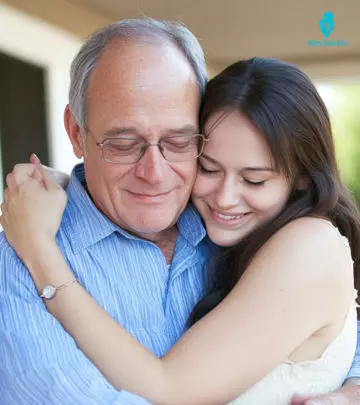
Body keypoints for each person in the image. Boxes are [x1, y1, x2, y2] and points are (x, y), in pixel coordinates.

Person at [2, 56, 360, 405]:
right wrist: (69, 184)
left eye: (254, 179)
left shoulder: (309, 245)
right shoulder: (233, 231)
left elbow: (168, 390)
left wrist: (38, 249)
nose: (225, 198)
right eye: (208, 168)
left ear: (301, 178)